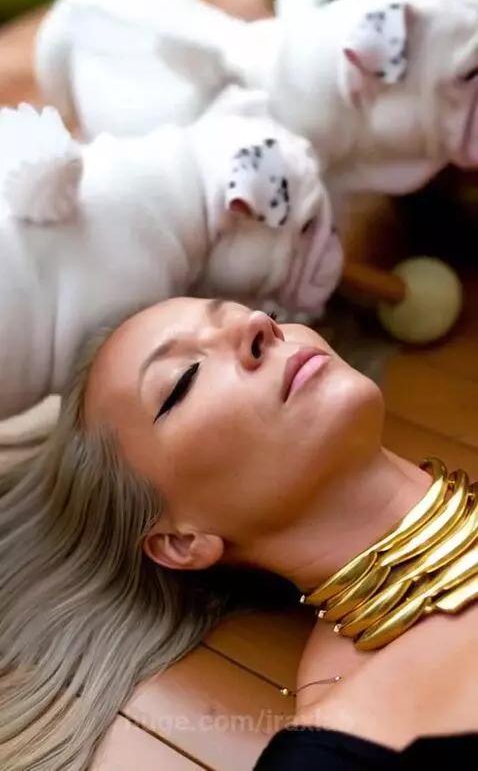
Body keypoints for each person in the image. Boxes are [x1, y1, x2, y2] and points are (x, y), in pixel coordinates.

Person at [0, 297, 476, 771]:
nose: (258, 326)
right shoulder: (341, 754)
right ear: (181, 543)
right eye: (184, 380)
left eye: (254, 312)